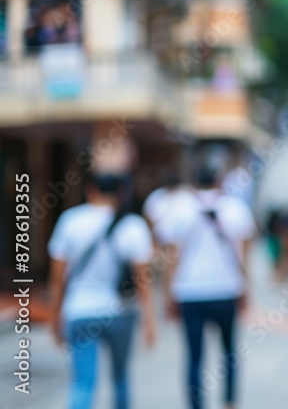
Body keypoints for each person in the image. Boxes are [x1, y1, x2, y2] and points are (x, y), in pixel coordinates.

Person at [47, 173, 156, 409]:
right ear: (121, 193)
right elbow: (142, 279)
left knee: (83, 383)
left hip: (80, 310)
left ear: (90, 190)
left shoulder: (70, 220)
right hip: (121, 312)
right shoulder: (133, 225)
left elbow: (57, 277)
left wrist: (55, 316)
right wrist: (149, 319)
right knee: (120, 377)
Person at [158, 165, 256, 409]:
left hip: (190, 291)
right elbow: (245, 253)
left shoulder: (180, 208)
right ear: (219, 181)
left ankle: (196, 404)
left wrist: (168, 292)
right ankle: (230, 401)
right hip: (226, 288)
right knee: (229, 352)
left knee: (194, 356)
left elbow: (171, 255)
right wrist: (246, 287)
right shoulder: (235, 208)